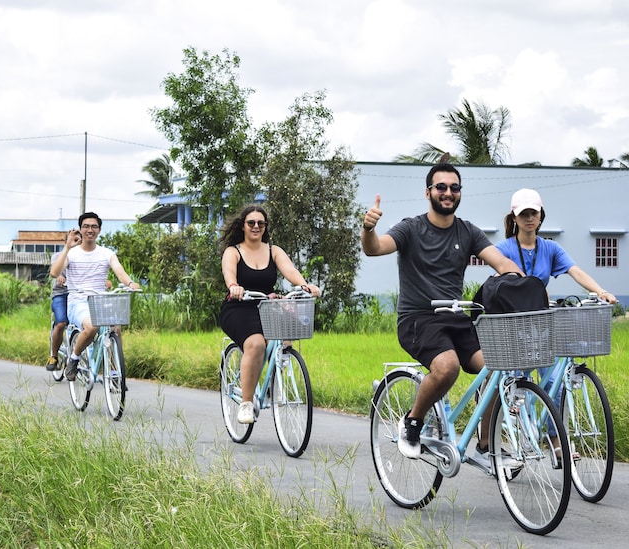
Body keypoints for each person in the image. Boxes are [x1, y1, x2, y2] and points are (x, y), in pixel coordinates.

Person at [361, 163, 523, 461]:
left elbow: (502, 264)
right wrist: (368, 228)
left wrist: (526, 288)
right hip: (418, 319)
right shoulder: (411, 228)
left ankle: (486, 445)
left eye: (454, 187)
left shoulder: (468, 231)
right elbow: (375, 248)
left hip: (456, 317)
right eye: (441, 187)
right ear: (428, 193)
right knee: (448, 367)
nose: (448, 192)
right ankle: (413, 421)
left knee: (497, 365)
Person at [495, 188, 618, 459]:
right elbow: (500, 282)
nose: (529, 218)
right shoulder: (503, 249)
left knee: (555, 381)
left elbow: (575, 271)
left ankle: (554, 439)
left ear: (541, 216)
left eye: (533, 213)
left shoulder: (550, 248)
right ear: (514, 218)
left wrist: (600, 291)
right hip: (514, 323)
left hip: (541, 324)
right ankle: (521, 432)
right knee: (519, 380)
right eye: (523, 214)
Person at [219, 204, 321, 425]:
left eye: (261, 223)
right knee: (255, 344)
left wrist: (304, 285)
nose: (256, 226)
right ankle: (246, 403)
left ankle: (269, 382)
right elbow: (229, 274)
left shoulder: (273, 250)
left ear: (265, 227)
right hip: (239, 306)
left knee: (286, 333)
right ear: (243, 226)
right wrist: (234, 286)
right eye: (251, 223)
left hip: (266, 306)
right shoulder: (233, 251)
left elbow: (291, 271)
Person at [50, 212, 140, 380]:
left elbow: (119, 271)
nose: (89, 229)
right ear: (80, 230)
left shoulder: (107, 253)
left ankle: (114, 373)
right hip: (78, 301)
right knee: (92, 327)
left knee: (115, 328)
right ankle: (74, 359)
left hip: (101, 301)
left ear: (99, 230)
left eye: (93, 226)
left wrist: (130, 283)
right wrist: (67, 247)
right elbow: (54, 273)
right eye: (86, 226)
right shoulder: (72, 253)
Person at [46, 245, 74, 371]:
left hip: (78, 294)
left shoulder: (84, 255)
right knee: (61, 323)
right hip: (61, 294)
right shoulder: (58, 256)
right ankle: (54, 356)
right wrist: (59, 277)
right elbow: (54, 271)